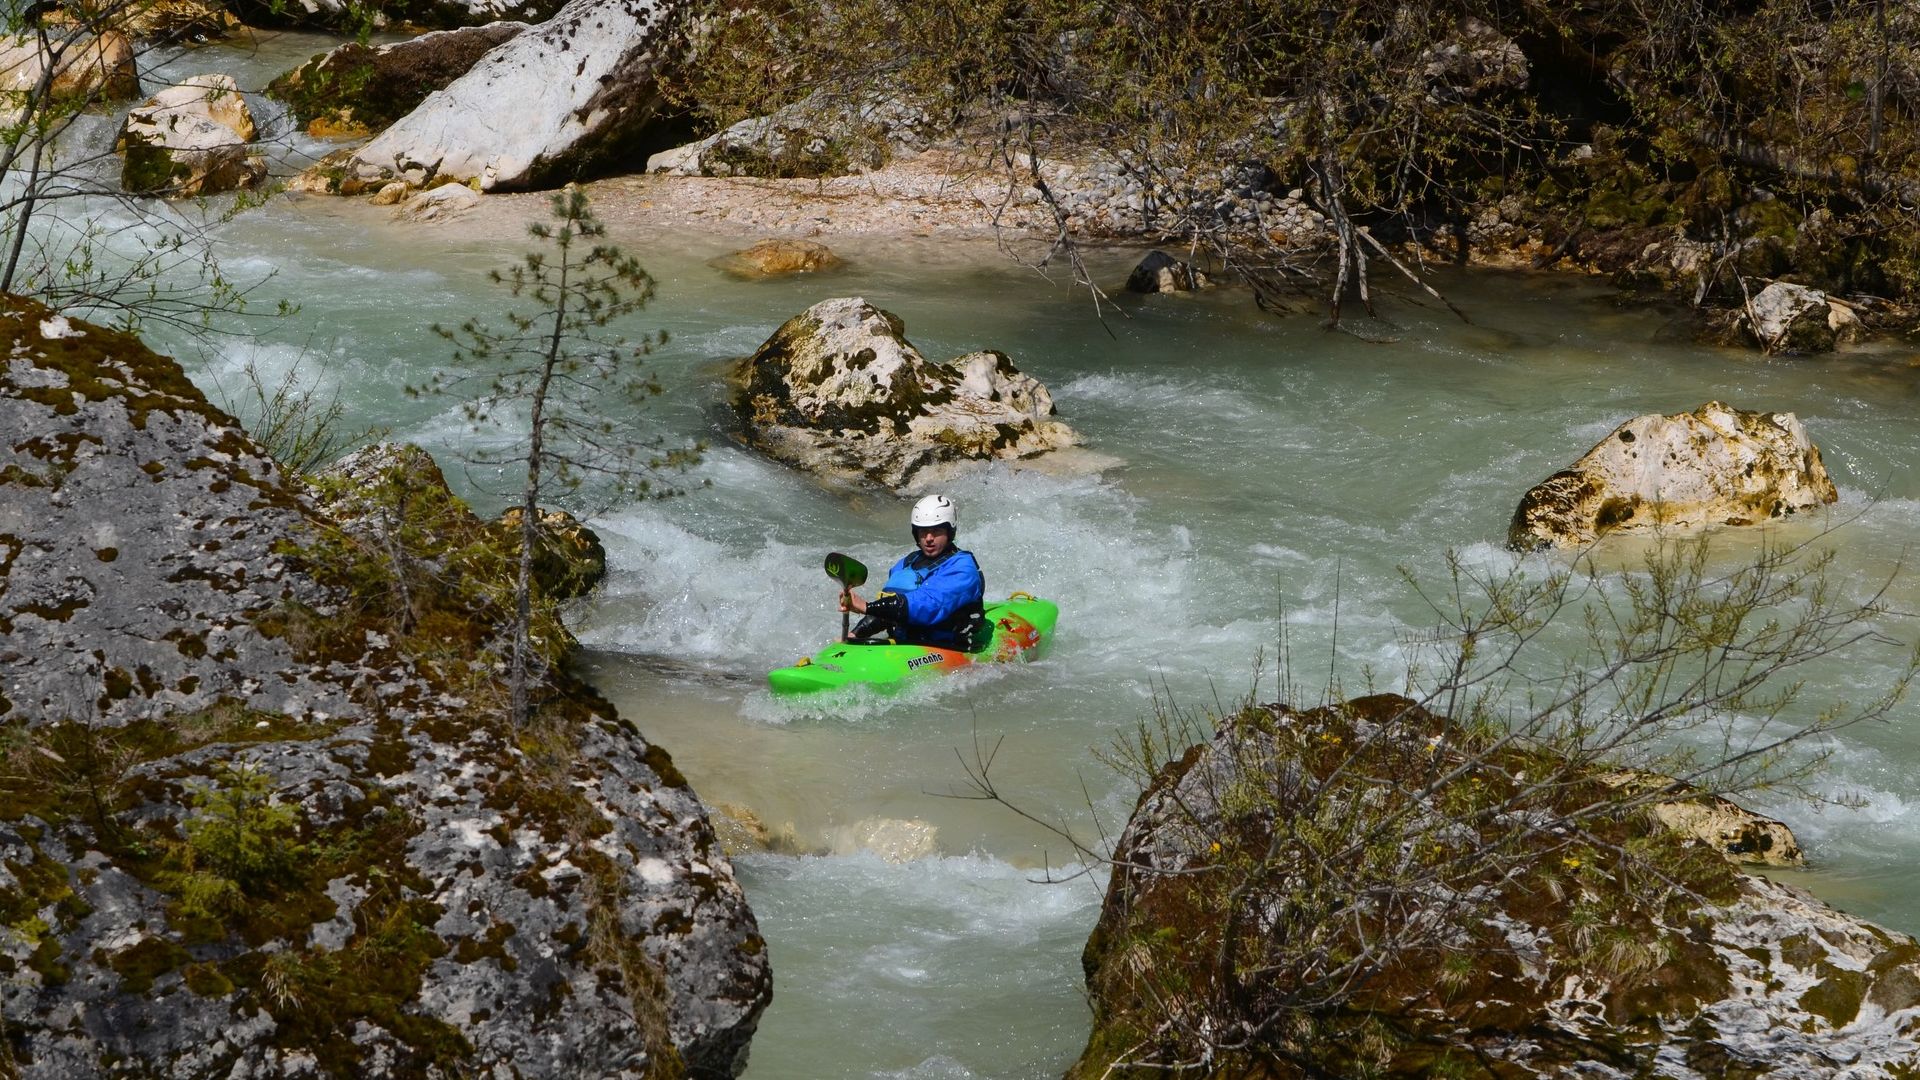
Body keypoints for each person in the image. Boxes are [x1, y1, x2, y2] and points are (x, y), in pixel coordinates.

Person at [840, 494, 987, 650]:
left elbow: (929, 604)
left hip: (950, 646)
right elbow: (890, 611)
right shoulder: (906, 563)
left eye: (936, 530)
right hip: (908, 645)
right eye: (923, 531)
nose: (928, 538)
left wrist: (867, 606)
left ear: (949, 531)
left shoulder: (962, 567)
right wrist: (856, 634)